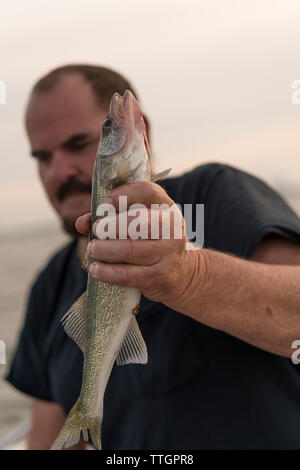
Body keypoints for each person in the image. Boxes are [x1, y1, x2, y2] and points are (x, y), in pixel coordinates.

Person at [6, 64, 300, 450]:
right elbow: (50, 439)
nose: (60, 171)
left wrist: (189, 275)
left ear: (142, 130)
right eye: (43, 157)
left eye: (79, 144)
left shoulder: (213, 195)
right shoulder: (50, 284)